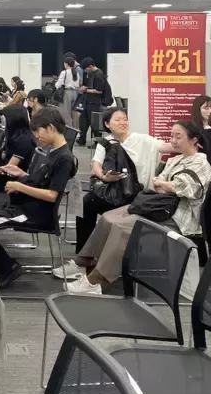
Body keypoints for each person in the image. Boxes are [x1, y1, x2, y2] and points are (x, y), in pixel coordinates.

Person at [65, 120, 211, 294]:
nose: (173, 140)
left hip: (176, 218)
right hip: (158, 207)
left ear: (194, 140)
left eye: (178, 136)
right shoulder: (176, 160)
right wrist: (165, 185)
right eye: (171, 136)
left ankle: (96, 281)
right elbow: (159, 182)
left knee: (122, 228)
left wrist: (165, 185)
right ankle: (84, 261)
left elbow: (185, 188)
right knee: (108, 218)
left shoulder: (201, 163)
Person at [0, 107, 75, 288]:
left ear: (50, 128)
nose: (37, 137)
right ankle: (1, 266)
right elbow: (42, 182)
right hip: (24, 206)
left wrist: (19, 186)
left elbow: (51, 195)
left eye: (38, 131)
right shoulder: (52, 152)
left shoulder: (64, 158)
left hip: (34, 214)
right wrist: (21, 174)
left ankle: (7, 268)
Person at [77, 57, 106, 146]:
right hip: (88, 101)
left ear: (90, 66)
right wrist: (85, 88)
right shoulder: (91, 73)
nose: (85, 71)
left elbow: (99, 91)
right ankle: (82, 139)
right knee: (83, 120)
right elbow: (91, 86)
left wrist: (86, 90)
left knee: (94, 123)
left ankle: (98, 142)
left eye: (86, 69)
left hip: (94, 102)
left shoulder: (98, 74)